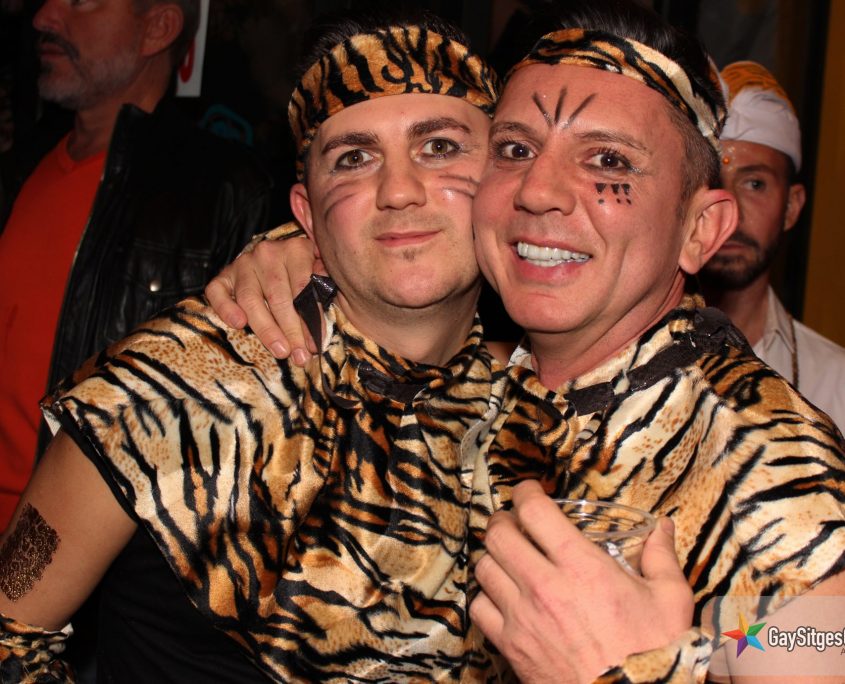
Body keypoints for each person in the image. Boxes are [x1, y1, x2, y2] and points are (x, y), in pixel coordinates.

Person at [206, 2, 845, 681]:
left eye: (608, 159)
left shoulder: (758, 459)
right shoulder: (485, 385)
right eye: (515, 150)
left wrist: (636, 668)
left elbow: (811, 643)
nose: (537, 190)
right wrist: (308, 249)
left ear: (699, 230)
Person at [0, 12, 510, 681]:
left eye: (439, 147)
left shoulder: (537, 409)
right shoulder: (167, 389)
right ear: (306, 213)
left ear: (507, 179)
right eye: (354, 159)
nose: (398, 190)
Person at [0, 0, 273, 531]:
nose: (44, 18)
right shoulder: (22, 167)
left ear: (158, 28)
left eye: (81, 1)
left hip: (71, 556)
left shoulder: (226, 193)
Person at [700, 60, 845, 431]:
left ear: (791, 207)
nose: (731, 209)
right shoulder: (616, 358)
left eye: (755, 184)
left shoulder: (836, 383)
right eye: (713, 182)